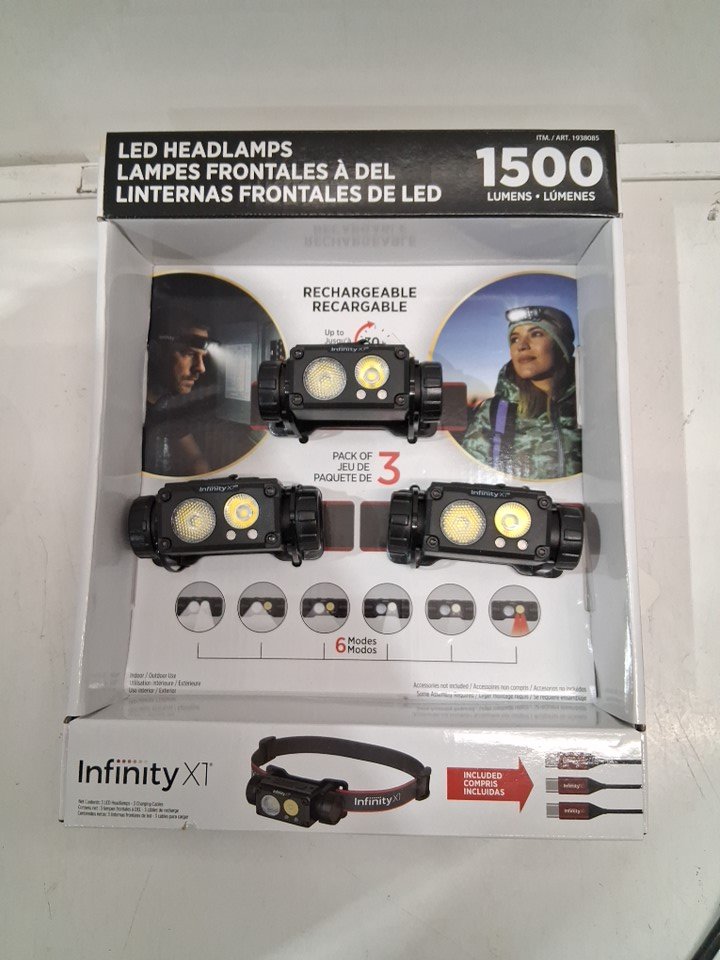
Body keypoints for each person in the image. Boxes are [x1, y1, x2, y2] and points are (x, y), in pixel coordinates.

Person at [462, 305, 581, 479]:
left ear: (561, 346)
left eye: (536, 334)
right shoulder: (493, 414)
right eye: (515, 339)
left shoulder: (594, 404)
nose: (522, 346)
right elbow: (470, 476)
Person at [143, 305, 213, 476]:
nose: (200, 368)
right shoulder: (124, 410)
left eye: (202, 357)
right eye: (188, 353)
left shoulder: (166, 406)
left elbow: (196, 460)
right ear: (155, 351)